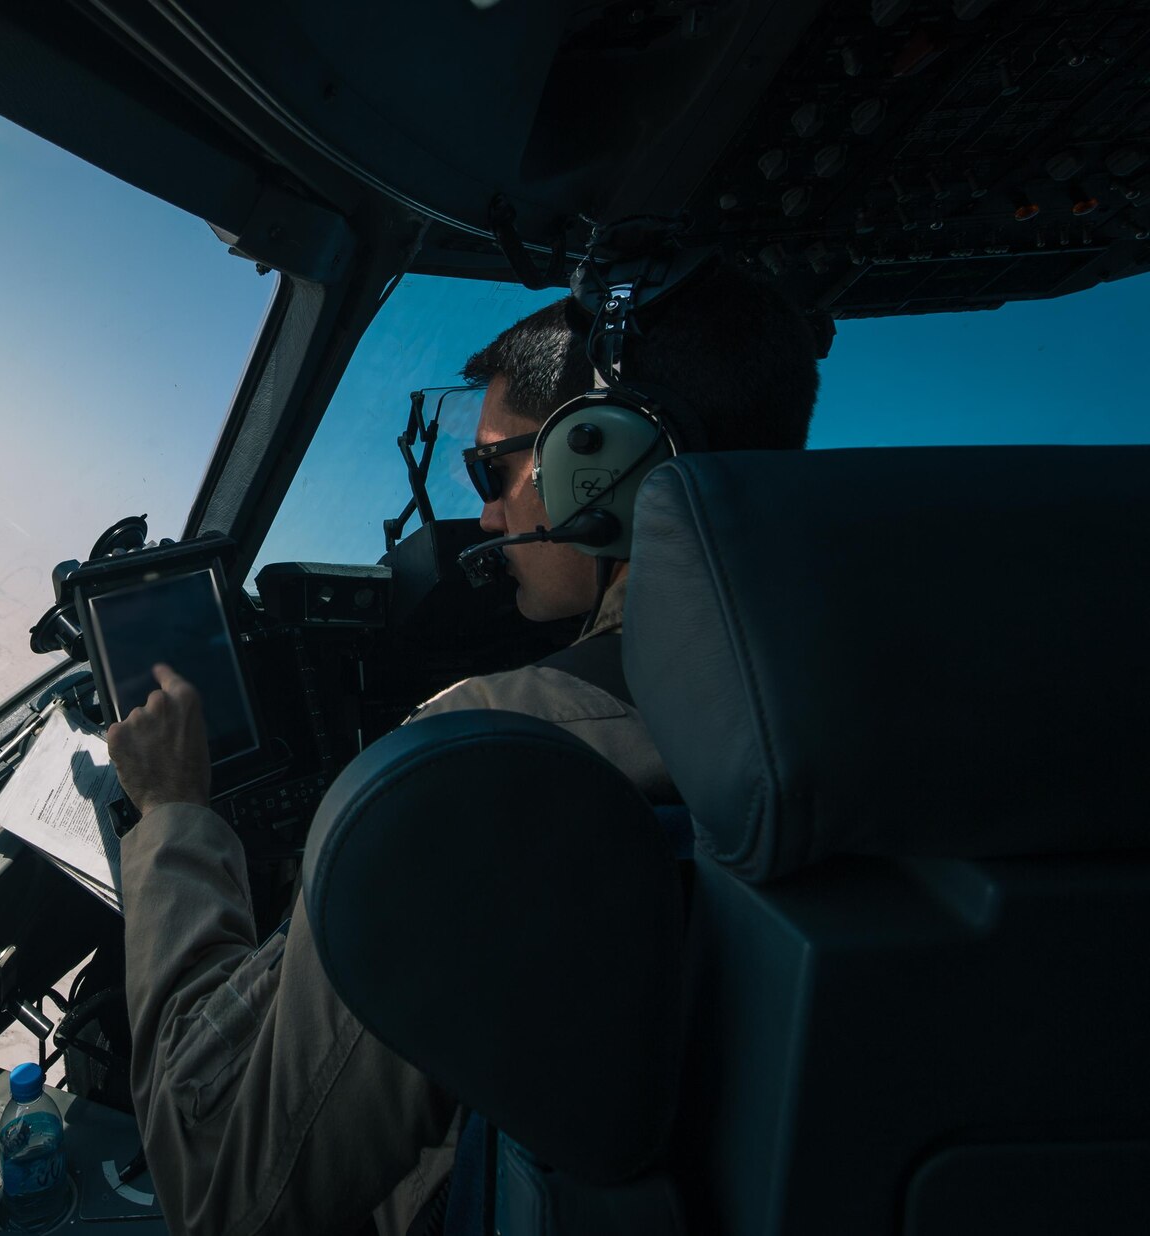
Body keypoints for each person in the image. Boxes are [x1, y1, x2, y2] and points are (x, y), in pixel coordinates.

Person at [105, 263, 820, 1236]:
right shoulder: (849, 733)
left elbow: (226, 1189)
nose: (485, 517)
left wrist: (173, 814)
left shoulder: (483, 761)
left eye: (494, 470)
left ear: (599, 462)